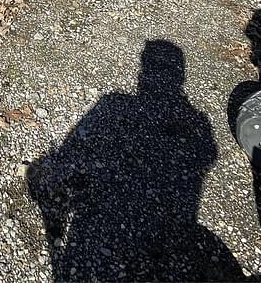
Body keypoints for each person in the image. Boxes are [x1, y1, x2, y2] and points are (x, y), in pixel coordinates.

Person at [28, 40, 243, 281]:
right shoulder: (197, 121)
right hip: (165, 216)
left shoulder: (114, 102)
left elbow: (207, 155)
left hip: (141, 220)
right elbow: (208, 155)